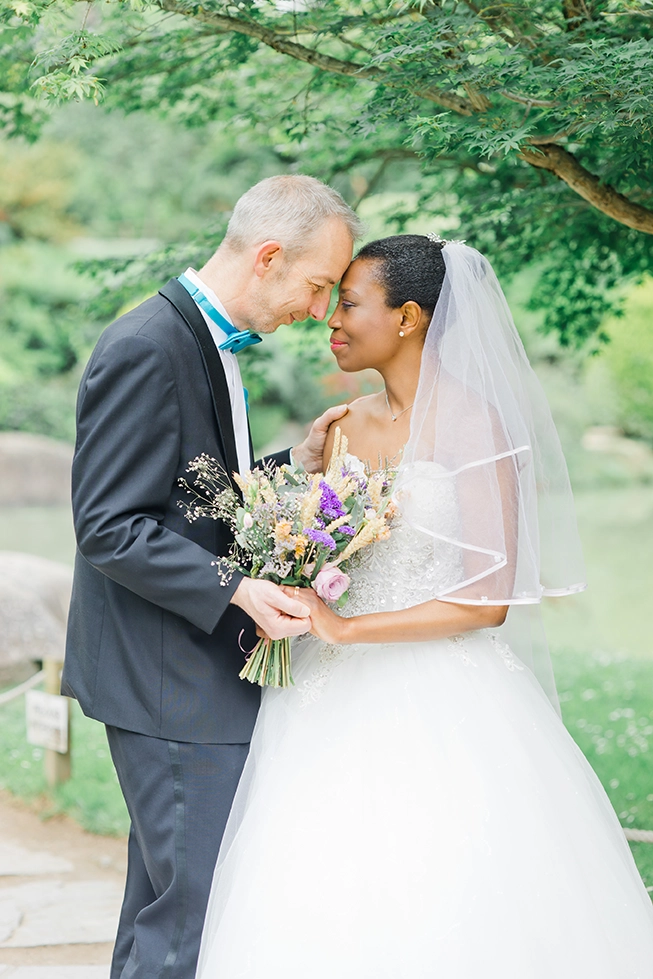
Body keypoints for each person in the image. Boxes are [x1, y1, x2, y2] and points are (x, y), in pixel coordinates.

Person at [196, 235, 653, 978]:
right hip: (321, 701)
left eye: (348, 303)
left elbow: (487, 600)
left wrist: (346, 626)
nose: (330, 321)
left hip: (443, 695)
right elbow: (322, 552)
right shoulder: (339, 427)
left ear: (407, 316)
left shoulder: (476, 427)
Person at [62, 174, 363, 979]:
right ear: (268, 257)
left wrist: (288, 464)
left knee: (167, 908)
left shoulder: (203, 339)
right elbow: (108, 526)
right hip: (168, 683)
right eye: (315, 284)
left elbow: (192, 496)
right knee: (193, 917)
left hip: (188, 677)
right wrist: (234, 587)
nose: (316, 308)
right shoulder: (146, 347)